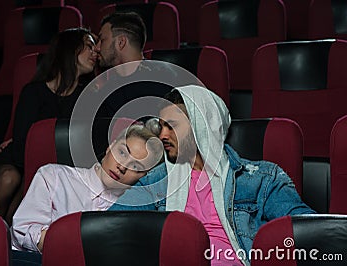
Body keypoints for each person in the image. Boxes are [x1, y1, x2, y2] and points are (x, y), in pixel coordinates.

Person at [110, 85, 316, 265]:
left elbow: (309, 231)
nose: (163, 135)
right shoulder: (156, 181)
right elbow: (111, 227)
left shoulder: (260, 178)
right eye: (162, 126)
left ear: (202, 125)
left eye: (172, 125)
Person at [0, 27, 97, 225]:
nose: (95, 53)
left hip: (63, 165)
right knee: (9, 178)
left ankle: (13, 231)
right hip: (23, 159)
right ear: (70, 50)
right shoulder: (33, 92)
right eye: (88, 47)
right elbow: (22, 142)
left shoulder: (89, 95)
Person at [11, 124, 163, 253]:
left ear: (144, 176)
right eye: (122, 152)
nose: (122, 166)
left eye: (136, 166)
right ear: (110, 147)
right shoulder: (54, 176)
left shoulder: (131, 211)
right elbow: (22, 230)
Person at [94, 11, 176, 118]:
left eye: (102, 40)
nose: (97, 47)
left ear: (121, 42)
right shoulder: (107, 89)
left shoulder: (162, 79)